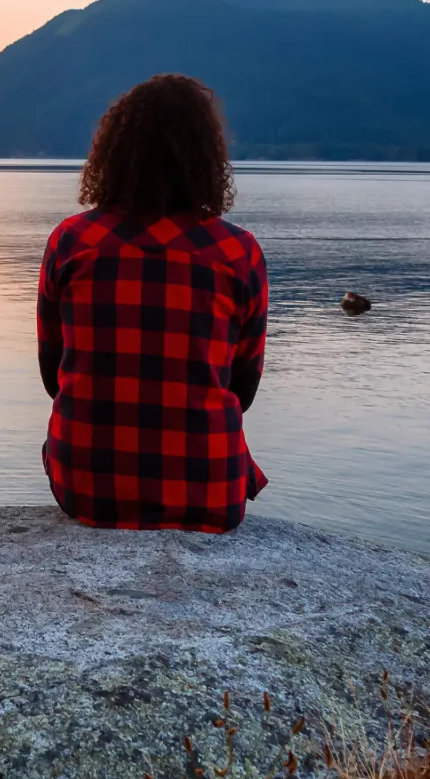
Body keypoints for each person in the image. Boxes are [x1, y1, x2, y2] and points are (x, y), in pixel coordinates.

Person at [37, 74, 267, 533]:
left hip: (87, 488)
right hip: (209, 492)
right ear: (206, 158)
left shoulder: (72, 241)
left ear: (114, 154)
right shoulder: (238, 252)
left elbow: (52, 374)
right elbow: (243, 390)